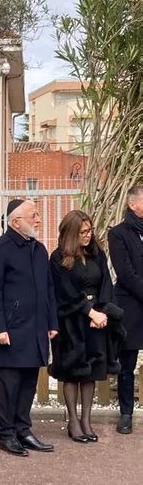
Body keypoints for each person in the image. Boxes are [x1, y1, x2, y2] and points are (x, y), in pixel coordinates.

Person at [0, 198, 58, 456]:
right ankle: (6, 434)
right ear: (16, 222)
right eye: (33, 215)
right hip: (11, 330)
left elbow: (48, 289)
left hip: (36, 327)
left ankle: (23, 430)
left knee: (29, 382)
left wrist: (52, 322)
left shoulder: (39, 250)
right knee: (9, 384)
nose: (38, 219)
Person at [50, 210, 126, 443]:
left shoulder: (96, 253)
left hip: (96, 321)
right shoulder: (58, 257)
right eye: (83, 232)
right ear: (72, 233)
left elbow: (105, 283)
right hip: (71, 321)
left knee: (91, 372)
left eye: (90, 230)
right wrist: (89, 311)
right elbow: (64, 291)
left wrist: (101, 313)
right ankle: (73, 421)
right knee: (71, 372)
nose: (88, 235)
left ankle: (86, 420)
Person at [108, 185, 143, 434]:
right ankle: (126, 413)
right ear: (133, 204)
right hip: (130, 305)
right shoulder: (118, 234)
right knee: (127, 364)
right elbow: (126, 273)